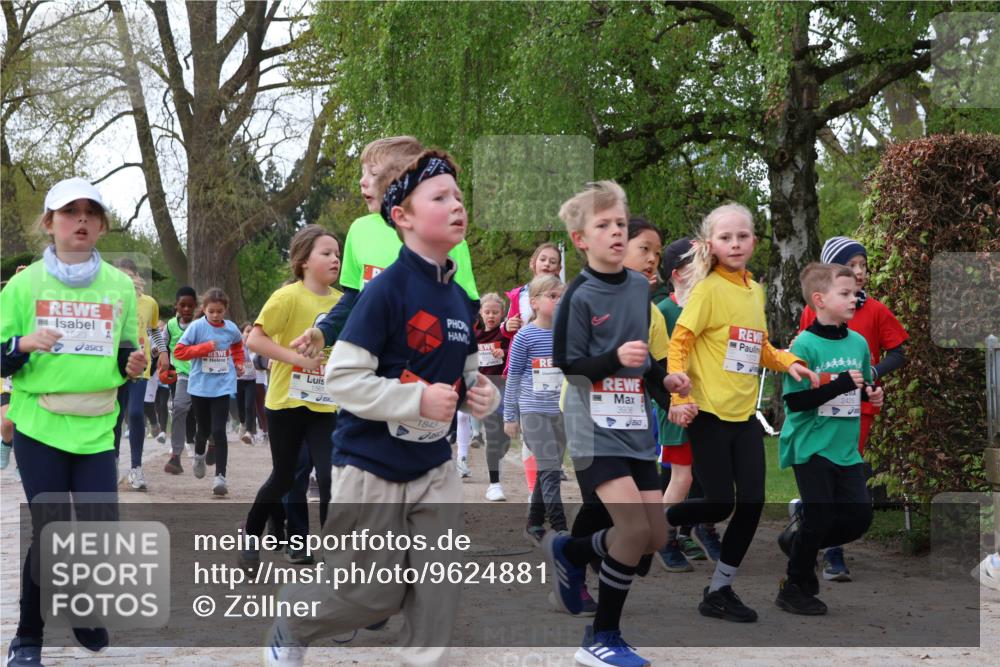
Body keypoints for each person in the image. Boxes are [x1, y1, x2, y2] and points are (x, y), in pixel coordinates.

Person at [264, 149, 499, 667]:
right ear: (403, 217)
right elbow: (342, 378)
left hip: (434, 468)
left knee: (437, 593)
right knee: (371, 596)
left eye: (459, 197)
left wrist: (483, 394)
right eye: (440, 197)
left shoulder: (460, 301)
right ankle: (295, 621)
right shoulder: (385, 292)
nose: (457, 205)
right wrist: (415, 397)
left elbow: (468, 376)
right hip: (371, 466)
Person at [1, 177, 145, 666]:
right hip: (40, 422)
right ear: (50, 223)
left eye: (90, 212)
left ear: (102, 226)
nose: (80, 219)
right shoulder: (23, 286)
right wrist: (21, 346)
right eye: (69, 211)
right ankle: (28, 639)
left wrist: (132, 364)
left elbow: (127, 351)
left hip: (98, 422)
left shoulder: (121, 286)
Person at [546, 181, 688, 667]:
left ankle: (570, 550)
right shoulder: (578, 295)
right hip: (590, 425)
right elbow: (567, 363)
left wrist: (663, 381)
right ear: (580, 238)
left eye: (620, 225)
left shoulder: (636, 288)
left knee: (656, 536)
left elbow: (640, 358)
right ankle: (601, 638)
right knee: (629, 530)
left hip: (633, 426)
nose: (614, 233)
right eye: (602, 226)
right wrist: (611, 358)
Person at [665, 202, 819, 623]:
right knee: (717, 504)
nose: (735, 244)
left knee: (750, 504)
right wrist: (680, 398)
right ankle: (658, 522)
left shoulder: (754, 289)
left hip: (743, 417)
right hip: (710, 415)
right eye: (726, 237)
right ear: (710, 244)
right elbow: (679, 343)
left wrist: (790, 363)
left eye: (743, 236)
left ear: (755, 240)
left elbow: (759, 348)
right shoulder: (709, 288)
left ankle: (718, 591)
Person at [290, 136, 478, 355]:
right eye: (363, 173)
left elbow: (468, 308)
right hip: (373, 369)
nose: (363, 181)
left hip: (426, 368)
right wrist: (323, 332)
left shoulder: (443, 233)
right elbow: (353, 301)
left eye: (374, 173)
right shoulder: (360, 230)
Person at [799, 236, 909, 581]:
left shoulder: (875, 310)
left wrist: (872, 374)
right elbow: (801, 359)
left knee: (844, 477)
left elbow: (900, 351)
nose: (860, 272)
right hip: (819, 410)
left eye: (863, 265)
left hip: (857, 410)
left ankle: (826, 545)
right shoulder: (812, 312)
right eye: (852, 266)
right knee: (823, 476)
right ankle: (819, 540)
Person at [776, 262, 881, 614]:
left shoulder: (859, 342)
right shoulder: (804, 344)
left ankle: (798, 541)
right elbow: (794, 401)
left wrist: (872, 395)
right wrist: (838, 385)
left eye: (855, 293)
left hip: (845, 449)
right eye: (846, 293)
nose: (855, 298)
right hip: (811, 445)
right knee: (820, 516)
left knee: (859, 518)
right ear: (820, 300)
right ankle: (794, 586)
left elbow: (862, 387)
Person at [241, 224, 342, 568]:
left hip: (326, 404)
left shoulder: (343, 304)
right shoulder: (287, 297)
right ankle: (251, 533)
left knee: (330, 476)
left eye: (338, 254)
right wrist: (297, 359)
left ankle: (334, 554)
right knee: (284, 476)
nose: (335, 259)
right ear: (303, 261)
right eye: (326, 253)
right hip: (285, 402)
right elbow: (255, 340)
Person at [504, 275, 566, 543]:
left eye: (561, 296)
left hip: (560, 412)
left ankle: (534, 521)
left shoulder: (567, 334)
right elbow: (513, 377)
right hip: (533, 411)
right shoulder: (524, 337)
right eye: (552, 296)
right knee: (551, 468)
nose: (559, 301)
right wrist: (509, 416)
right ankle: (561, 528)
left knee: (548, 467)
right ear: (534, 303)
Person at [173, 287, 245, 496]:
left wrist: (239, 363)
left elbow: (238, 346)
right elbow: (179, 352)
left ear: (225, 311)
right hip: (200, 387)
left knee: (219, 431)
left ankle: (220, 477)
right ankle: (198, 455)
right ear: (204, 309)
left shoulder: (231, 329)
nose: (215, 315)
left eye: (219, 311)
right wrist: (204, 348)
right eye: (211, 311)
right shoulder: (196, 327)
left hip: (222, 386)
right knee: (202, 430)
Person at [457, 292, 508, 480]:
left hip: (501, 383)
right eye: (487, 312)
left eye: (495, 312)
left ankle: (501, 446)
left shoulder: (504, 333)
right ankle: (476, 436)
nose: (491, 316)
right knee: (470, 410)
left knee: (502, 435)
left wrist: (502, 352)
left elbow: (514, 350)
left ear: (502, 314)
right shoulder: (475, 334)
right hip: (480, 381)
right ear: (481, 313)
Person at [160, 286, 198, 474]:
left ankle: (206, 443)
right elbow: (163, 343)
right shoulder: (170, 325)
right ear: (176, 306)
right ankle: (176, 455)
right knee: (179, 408)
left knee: (198, 413)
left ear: (196, 306)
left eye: (190, 306)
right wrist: (159, 355)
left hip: (201, 375)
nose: (186, 309)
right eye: (182, 305)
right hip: (180, 373)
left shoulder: (201, 324)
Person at [501, 242, 561, 338]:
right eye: (542, 259)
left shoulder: (564, 296)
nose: (547, 264)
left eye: (552, 262)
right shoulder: (519, 295)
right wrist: (507, 326)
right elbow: (508, 330)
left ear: (558, 269)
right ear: (532, 263)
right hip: (526, 350)